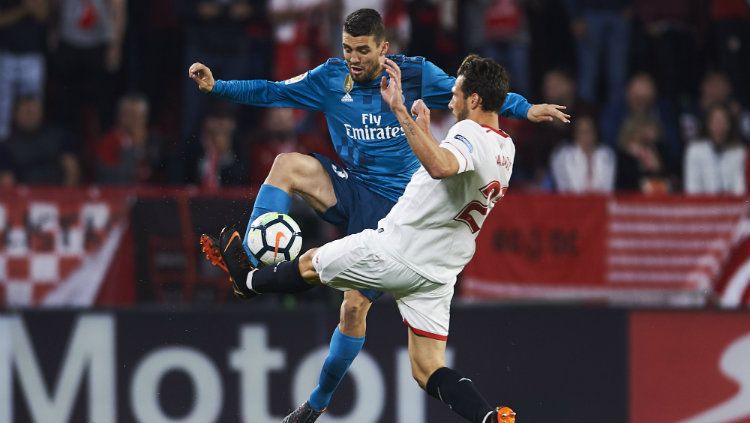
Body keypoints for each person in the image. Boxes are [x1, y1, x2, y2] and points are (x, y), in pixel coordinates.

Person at [190, 8, 569, 420]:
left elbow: (479, 97)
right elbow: (272, 91)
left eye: (363, 50)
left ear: (384, 48)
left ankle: (316, 403)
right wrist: (218, 87)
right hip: (354, 188)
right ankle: (252, 261)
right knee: (287, 166)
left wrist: (526, 108)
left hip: (399, 209)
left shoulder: (417, 77)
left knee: (352, 309)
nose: (354, 57)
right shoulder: (330, 78)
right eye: (348, 48)